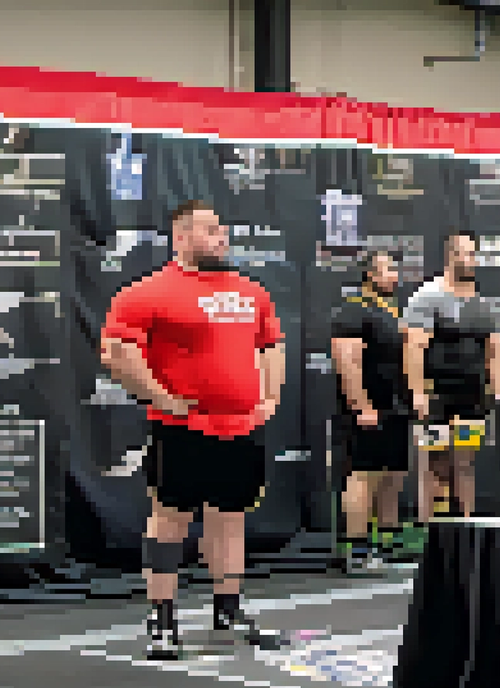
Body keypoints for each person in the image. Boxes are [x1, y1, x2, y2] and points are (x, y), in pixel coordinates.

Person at [100, 200, 286, 661]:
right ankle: (162, 619)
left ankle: (228, 610)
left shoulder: (251, 292)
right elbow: (116, 352)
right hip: (181, 428)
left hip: (241, 428)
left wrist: (269, 398)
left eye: (221, 230)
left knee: (230, 518)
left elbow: (270, 345)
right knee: (170, 520)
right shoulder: (149, 291)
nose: (219, 238)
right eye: (208, 231)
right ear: (179, 237)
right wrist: (159, 397)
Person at [402, 231, 500, 521]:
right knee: (433, 463)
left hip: (471, 396)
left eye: (474, 254)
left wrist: (497, 391)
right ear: (450, 256)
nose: (471, 260)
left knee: (464, 464)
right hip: (436, 395)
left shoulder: (481, 302)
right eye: (465, 253)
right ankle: (430, 533)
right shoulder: (427, 297)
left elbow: (494, 347)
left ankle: (465, 529)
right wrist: (418, 394)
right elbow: (414, 347)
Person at [331, 250, 410, 572]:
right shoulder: (353, 311)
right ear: (370, 275)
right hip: (369, 407)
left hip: (395, 407)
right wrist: (361, 405)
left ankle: (385, 547)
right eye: (388, 270)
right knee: (363, 475)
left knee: (392, 476)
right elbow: (346, 360)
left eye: (395, 269)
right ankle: (357, 550)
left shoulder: (390, 311)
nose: (395, 276)